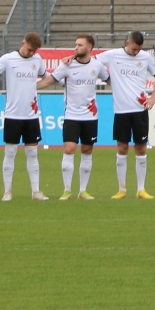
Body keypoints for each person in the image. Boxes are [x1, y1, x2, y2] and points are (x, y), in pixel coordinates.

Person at [96, 31, 155, 199]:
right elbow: (92, 62)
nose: (136, 52)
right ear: (127, 43)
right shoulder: (113, 55)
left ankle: (141, 189)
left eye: (139, 49)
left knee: (141, 148)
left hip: (140, 109)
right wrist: (107, 78)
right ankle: (122, 190)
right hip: (121, 110)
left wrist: (153, 97)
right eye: (134, 49)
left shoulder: (145, 57)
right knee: (122, 148)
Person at [0, 32, 53, 202]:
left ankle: (36, 191)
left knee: (32, 153)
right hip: (13, 114)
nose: (31, 53)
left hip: (31, 114)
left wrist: (65, 79)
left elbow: (47, 77)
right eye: (29, 49)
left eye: (34, 51)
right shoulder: (8, 59)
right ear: (22, 43)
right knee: (10, 152)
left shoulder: (37, 60)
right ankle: (7, 191)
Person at [48, 34, 104, 199]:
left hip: (90, 116)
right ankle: (67, 190)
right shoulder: (67, 65)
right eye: (75, 45)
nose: (76, 47)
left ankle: (83, 191)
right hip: (71, 115)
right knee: (69, 149)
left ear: (89, 48)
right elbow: (51, 79)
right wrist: (31, 86)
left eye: (80, 45)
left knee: (87, 150)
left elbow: (110, 80)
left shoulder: (97, 65)